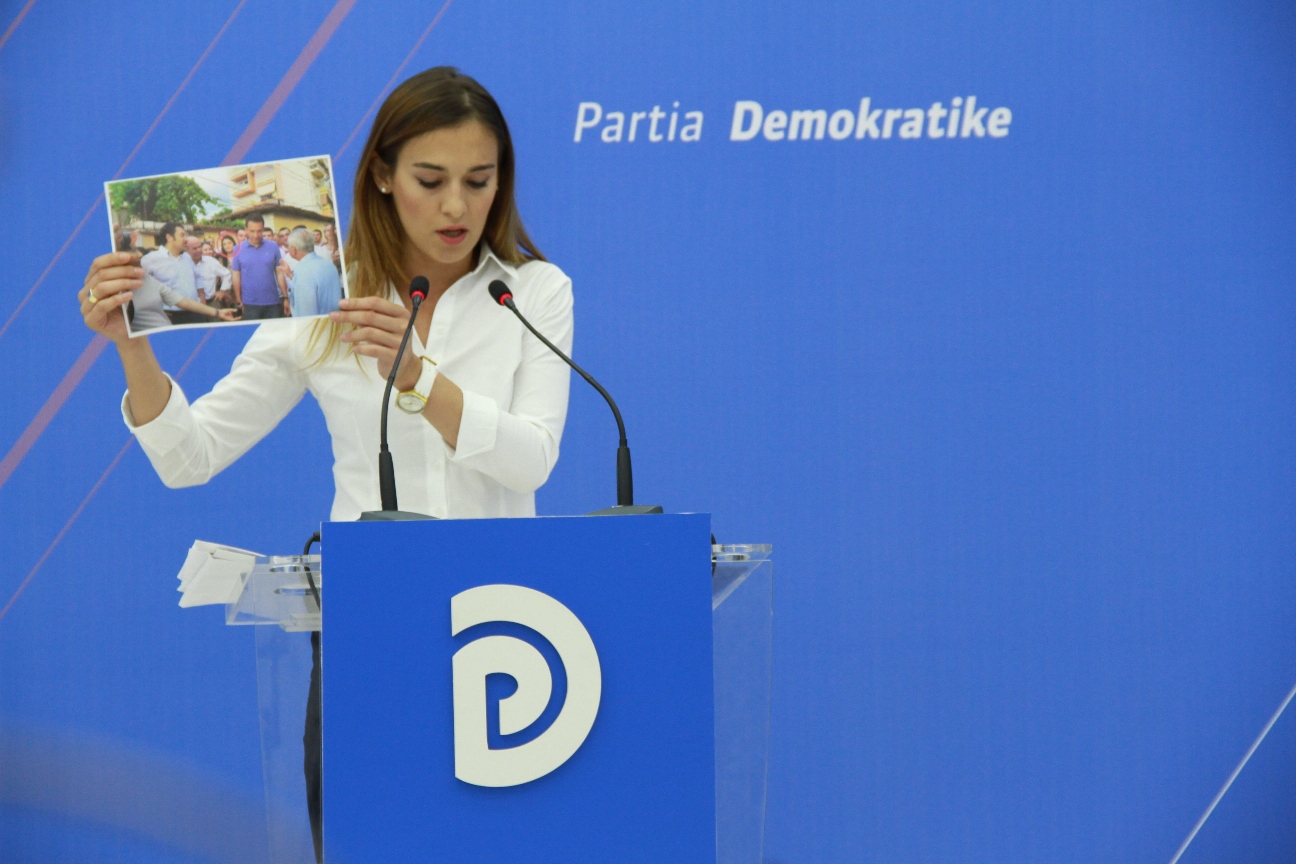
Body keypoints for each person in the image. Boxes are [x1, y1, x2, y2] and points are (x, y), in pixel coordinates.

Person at [79, 67, 572, 863]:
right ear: (381, 176)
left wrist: (420, 379)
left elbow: (531, 461)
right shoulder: (319, 301)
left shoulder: (535, 293)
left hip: (512, 629)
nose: (457, 206)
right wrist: (131, 346)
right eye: (431, 180)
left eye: (479, 181)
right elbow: (191, 457)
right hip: (365, 629)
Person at [133, 223, 238, 329]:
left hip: (196, 314)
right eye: (182, 235)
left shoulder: (187, 258)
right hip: (169, 317)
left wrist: (202, 302)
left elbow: (197, 279)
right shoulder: (149, 260)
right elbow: (142, 291)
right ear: (169, 237)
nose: (186, 239)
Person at [229, 214, 288, 318]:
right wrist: (239, 301)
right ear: (246, 230)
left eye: (259, 231)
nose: (256, 235)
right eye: (252, 231)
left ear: (263, 229)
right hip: (249, 303)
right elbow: (236, 275)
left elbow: (279, 273)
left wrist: (286, 297)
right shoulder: (237, 248)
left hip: (272, 302)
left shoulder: (273, 246)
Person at [283, 227, 342, 316]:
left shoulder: (302, 271)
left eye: (289, 246)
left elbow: (306, 314)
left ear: (293, 249)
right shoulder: (328, 264)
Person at [188, 236, 234, 309]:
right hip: (191, 304)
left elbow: (226, 274)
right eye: (195, 248)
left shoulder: (211, 261)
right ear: (187, 250)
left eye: (199, 247)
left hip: (211, 302)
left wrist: (222, 291)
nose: (199, 250)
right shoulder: (185, 264)